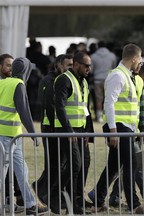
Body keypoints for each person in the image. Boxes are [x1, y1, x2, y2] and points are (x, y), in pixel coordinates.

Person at [88, 43, 144, 214]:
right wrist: (113, 131)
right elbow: (108, 103)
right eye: (139, 58)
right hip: (118, 127)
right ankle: (134, 205)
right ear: (134, 58)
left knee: (113, 165)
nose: (140, 62)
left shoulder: (129, 76)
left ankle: (97, 197)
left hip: (126, 128)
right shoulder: (117, 75)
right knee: (130, 164)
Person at [0, 57, 48, 215]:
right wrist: (34, 134)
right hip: (7, 137)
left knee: (22, 171)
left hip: (13, 137)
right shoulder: (18, 84)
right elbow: (24, 112)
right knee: (3, 172)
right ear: (26, 71)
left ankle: (30, 204)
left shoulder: (3, 82)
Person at [108, 62, 144, 207]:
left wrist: (143, 130)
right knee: (133, 166)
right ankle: (138, 200)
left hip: (133, 131)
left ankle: (102, 195)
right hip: (123, 129)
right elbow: (110, 103)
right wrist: (113, 130)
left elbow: (142, 112)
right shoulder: (122, 77)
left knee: (118, 167)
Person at [53, 52, 93, 214]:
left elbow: (85, 109)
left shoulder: (83, 82)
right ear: (76, 64)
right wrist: (69, 131)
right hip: (66, 130)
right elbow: (60, 107)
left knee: (85, 162)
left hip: (81, 130)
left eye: (90, 65)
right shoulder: (64, 80)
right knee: (75, 164)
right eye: (86, 65)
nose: (89, 68)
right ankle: (56, 195)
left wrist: (88, 132)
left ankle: (76, 200)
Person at [32, 54, 73, 204]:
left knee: (59, 162)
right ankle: (45, 191)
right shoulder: (48, 81)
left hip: (58, 126)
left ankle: (44, 188)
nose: (70, 68)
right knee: (55, 163)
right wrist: (54, 127)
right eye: (67, 65)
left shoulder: (64, 80)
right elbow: (49, 105)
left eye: (72, 65)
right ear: (58, 65)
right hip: (50, 126)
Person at [0, 54, 25, 213]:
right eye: (8, 65)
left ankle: (17, 201)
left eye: (12, 65)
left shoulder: (12, 83)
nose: (11, 68)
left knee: (16, 171)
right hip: (4, 134)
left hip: (12, 134)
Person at [90, 41, 117, 122]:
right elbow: (114, 67)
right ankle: (108, 115)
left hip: (97, 80)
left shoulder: (93, 56)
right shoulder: (112, 55)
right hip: (109, 79)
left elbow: (91, 70)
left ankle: (99, 116)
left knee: (99, 99)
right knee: (109, 98)